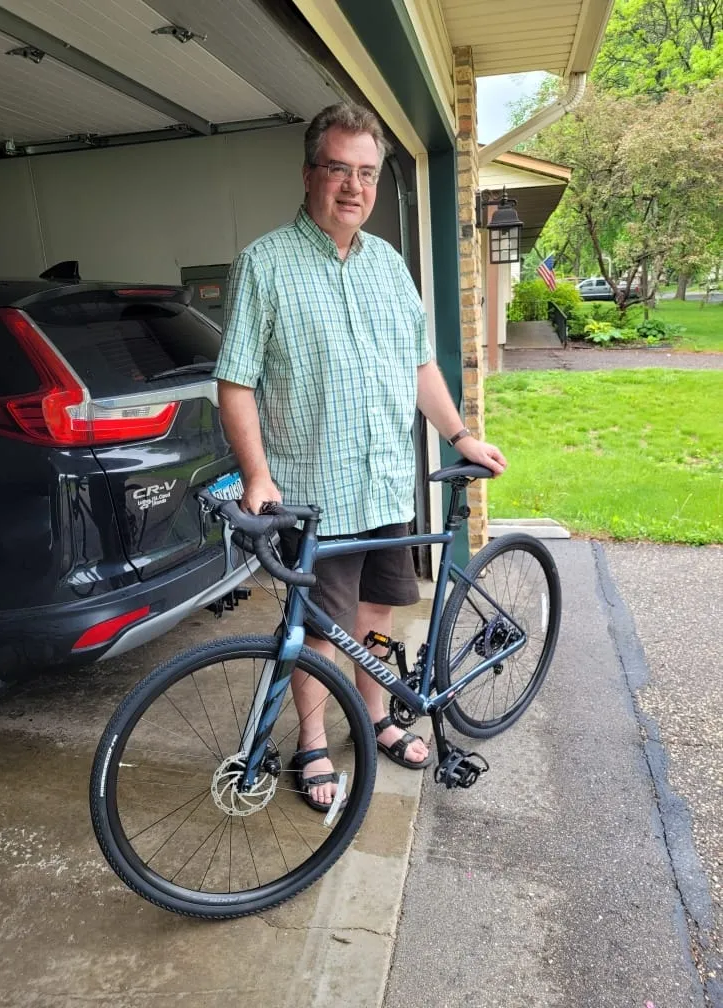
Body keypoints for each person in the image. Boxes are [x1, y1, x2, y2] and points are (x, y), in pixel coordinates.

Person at [214, 102, 506, 811]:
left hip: (384, 490)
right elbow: (236, 380)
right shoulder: (264, 263)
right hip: (318, 498)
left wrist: (460, 435)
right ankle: (312, 742)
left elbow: (419, 368)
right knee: (319, 632)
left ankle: (373, 716)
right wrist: (257, 476)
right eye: (339, 170)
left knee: (377, 612)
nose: (354, 186)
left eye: (367, 173)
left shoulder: (389, 267)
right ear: (310, 173)